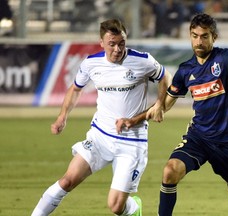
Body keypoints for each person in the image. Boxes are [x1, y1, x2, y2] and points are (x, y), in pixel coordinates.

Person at [116, 13, 228, 215]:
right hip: (199, 137)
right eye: (195, 35)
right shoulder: (185, 70)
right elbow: (164, 104)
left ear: (214, 37)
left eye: (204, 36)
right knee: (170, 171)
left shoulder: (223, 58)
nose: (199, 41)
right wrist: (135, 119)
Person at [31, 19, 171, 216]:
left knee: (115, 207)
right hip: (100, 136)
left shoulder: (142, 60)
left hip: (132, 141)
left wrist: (159, 103)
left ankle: (134, 207)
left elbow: (165, 77)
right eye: (112, 44)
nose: (117, 49)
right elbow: (75, 88)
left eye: (121, 43)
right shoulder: (91, 63)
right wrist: (62, 115)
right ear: (102, 43)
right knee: (67, 181)